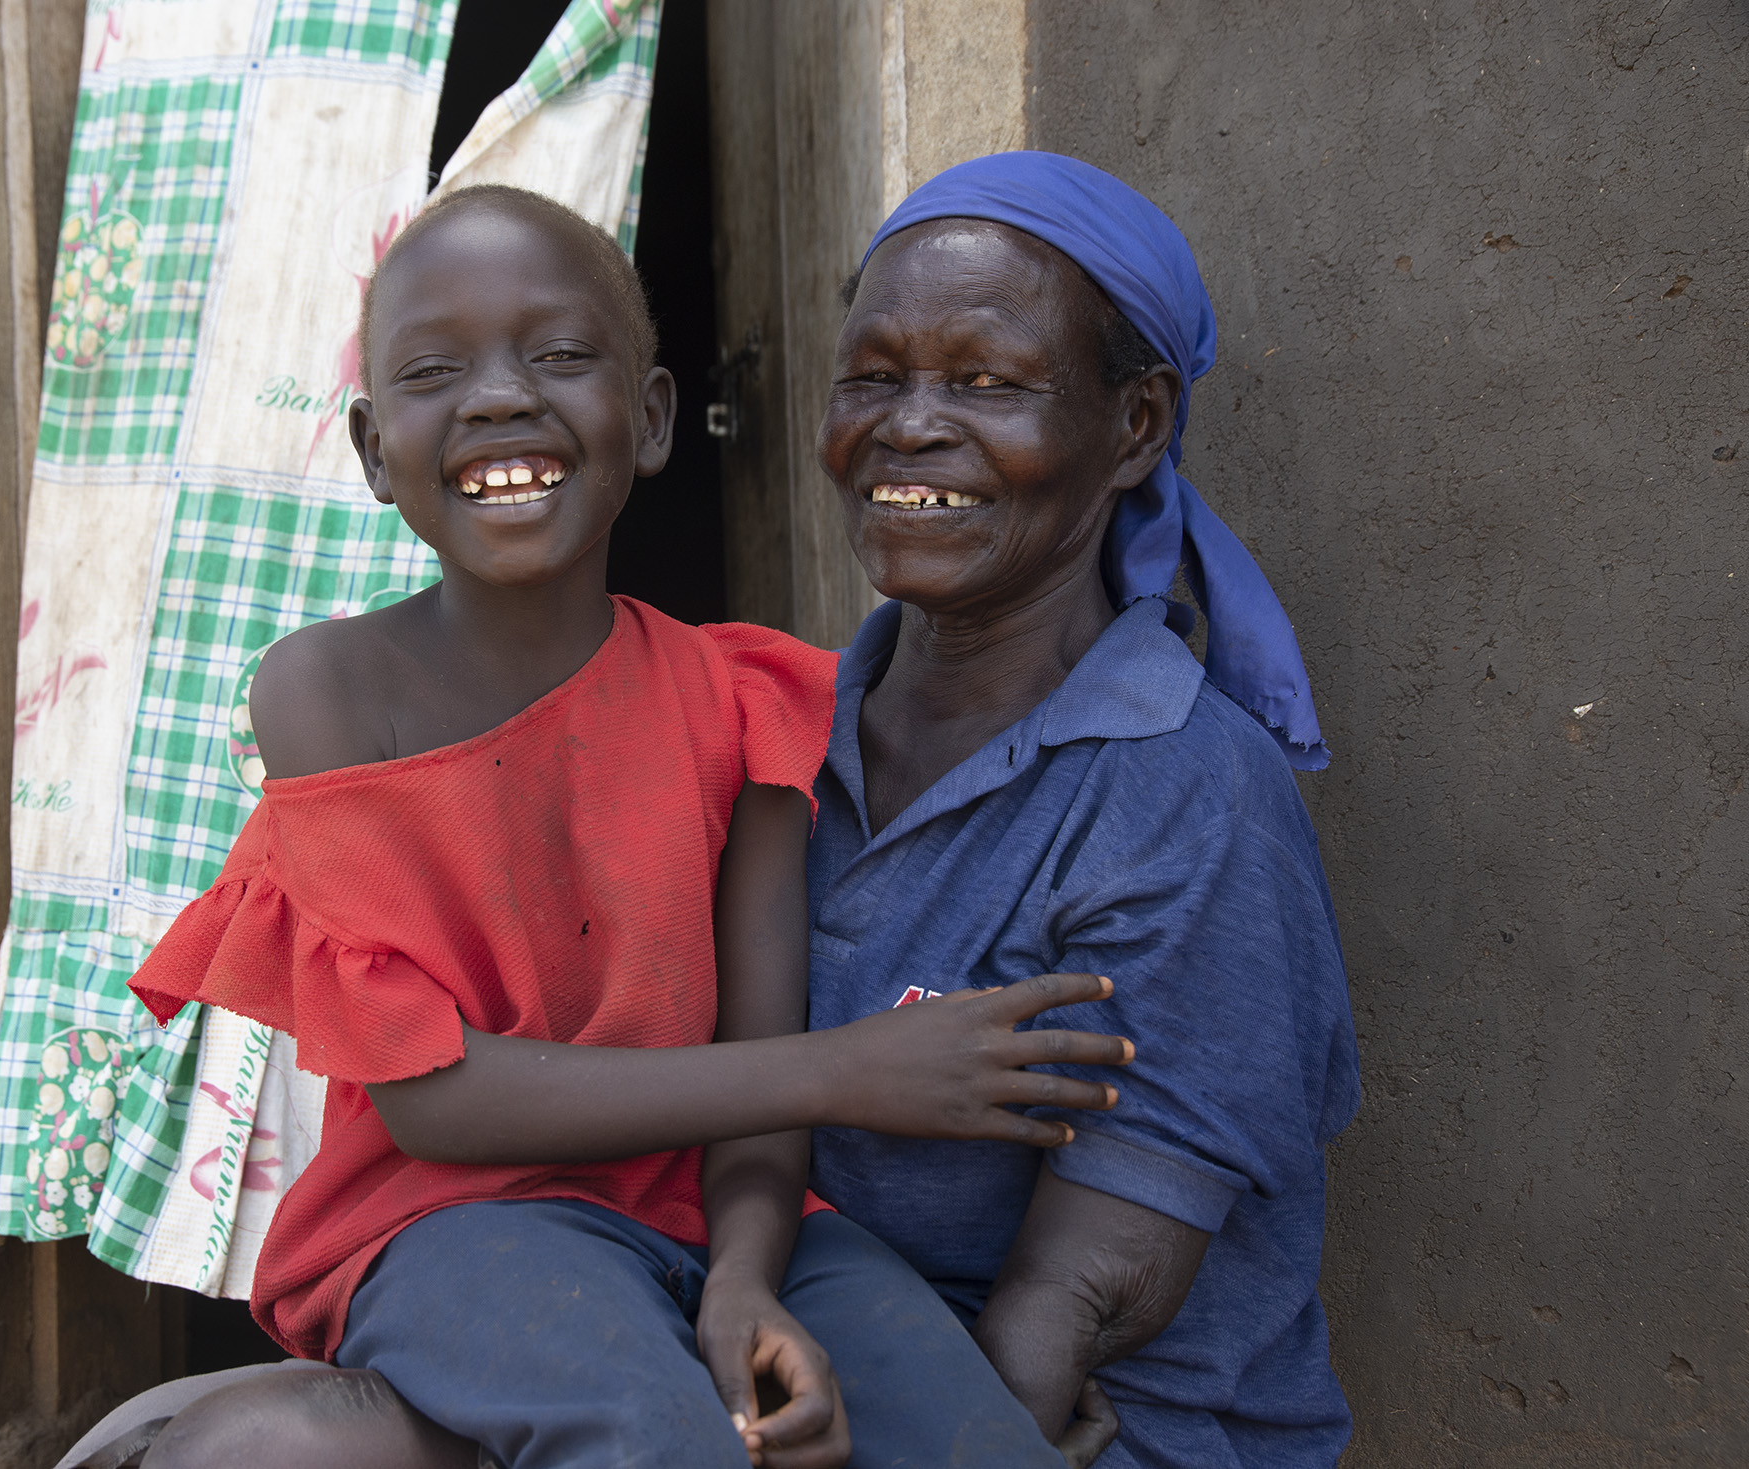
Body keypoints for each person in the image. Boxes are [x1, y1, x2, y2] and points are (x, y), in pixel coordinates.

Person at [96, 184, 1133, 1469]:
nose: (496, 396)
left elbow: (755, 1068)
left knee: (971, 1440)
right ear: (372, 450)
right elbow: (438, 1105)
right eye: (433, 370)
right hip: (447, 1223)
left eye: (560, 355)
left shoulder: (743, 702)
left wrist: (746, 1279)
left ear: (647, 420)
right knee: (661, 1441)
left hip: (727, 1209)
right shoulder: (327, 692)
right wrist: (857, 1069)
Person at [801, 152, 1362, 1466]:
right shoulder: (781, 733)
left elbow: (1083, 1292)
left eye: (988, 382)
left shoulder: (1180, 789)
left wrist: (962, 1430)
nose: (911, 425)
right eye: (874, 374)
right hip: (816, 1367)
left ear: (1136, 427)